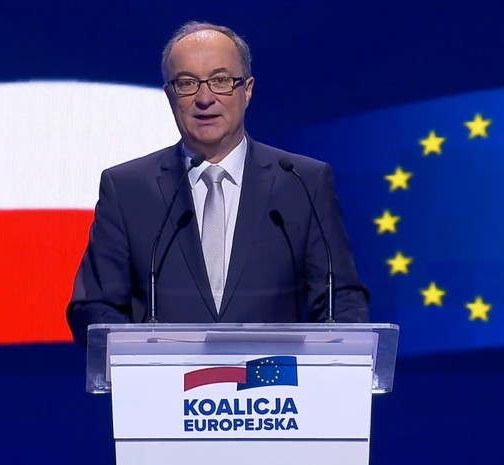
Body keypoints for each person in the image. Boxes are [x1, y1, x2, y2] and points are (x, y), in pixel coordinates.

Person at [66, 21, 369, 344]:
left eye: (221, 80)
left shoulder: (302, 182)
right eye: (187, 83)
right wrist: (140, 360)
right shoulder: (128, 189)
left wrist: (335, 357)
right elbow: (94, 307)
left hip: (273, 375)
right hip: (164, 376)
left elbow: (341, 300)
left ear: (247, 89)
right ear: (169, 95)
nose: (205, 97)